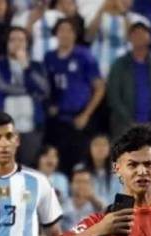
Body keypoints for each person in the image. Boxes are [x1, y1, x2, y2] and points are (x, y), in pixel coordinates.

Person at [44, 17, 106, 173]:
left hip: (80, 117)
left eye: (69, 30)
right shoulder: (49, 57)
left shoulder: (84, 56)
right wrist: (49, 105)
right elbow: (44, 86)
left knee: (79, 161)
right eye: (61, 30)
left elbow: (99, 88)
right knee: (58, 161)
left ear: (75, 34)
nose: (65, 34)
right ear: (56, 33)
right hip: (58, 119)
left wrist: (86, 114)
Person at [0, 26, 50, 167]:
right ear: (7, 43)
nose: (17, 43)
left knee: (29, 167)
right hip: (4, 127)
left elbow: (44, 90)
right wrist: (31, 91)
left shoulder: (36, 66)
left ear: (27, 43)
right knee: (5, 166)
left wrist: (26, 67)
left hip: (31, 126)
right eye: (13, 40)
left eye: (21, 40)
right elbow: (2, 86)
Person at [106, 21, 151, 141]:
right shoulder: (119, 64)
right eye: (135, 34)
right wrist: (130, 122)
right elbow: (113, 96)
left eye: (143, 34)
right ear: (130, 38)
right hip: (124, 127)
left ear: (149, 38)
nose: (139, 37)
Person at [85, 0, 150, 79]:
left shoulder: (137, 19)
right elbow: (88, 37)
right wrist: (101, 10)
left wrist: (124, 14)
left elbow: (130, 39)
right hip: (98, 66)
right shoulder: (98, 15)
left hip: (123, 70)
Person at [60, 163, 105, 230]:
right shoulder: (63, 205)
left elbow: (106, 214)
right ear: (71, 185)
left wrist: (93, 198)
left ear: (91, 185)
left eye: (85, 182)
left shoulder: (97, 205)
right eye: (78, 181)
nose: (81, 185)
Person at [85, 134, 120, 205]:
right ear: (89, 148)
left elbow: (119, 198)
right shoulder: (80, 170)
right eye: (96, 144)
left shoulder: (118, 171)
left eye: (104, 145)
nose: (100, 148)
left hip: (111, 212)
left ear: (109, 148)